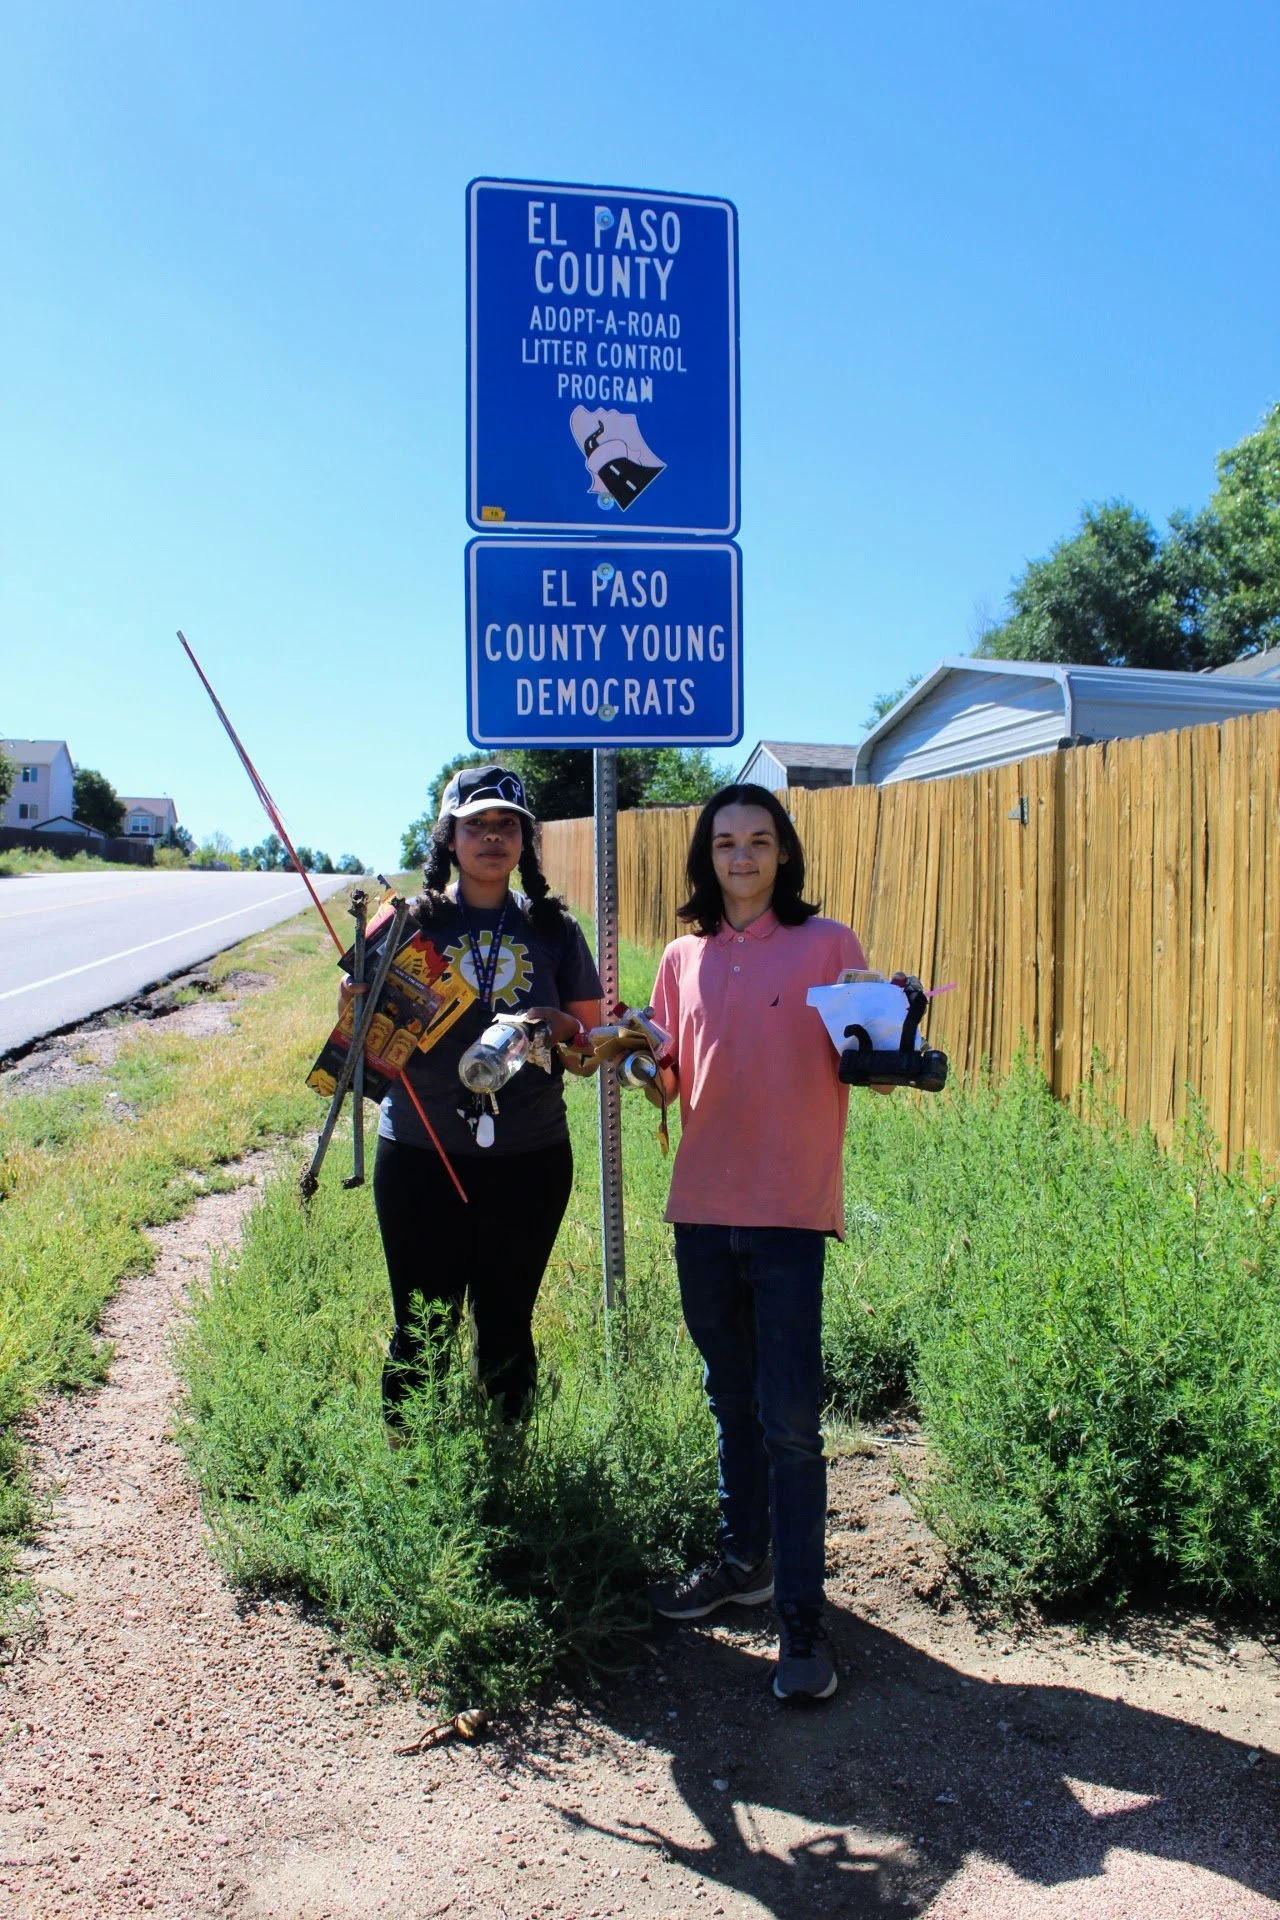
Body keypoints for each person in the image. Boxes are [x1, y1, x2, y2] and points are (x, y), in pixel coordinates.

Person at [646, 783, 877, 1702]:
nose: (741, 857)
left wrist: (891, 1046)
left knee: (790, 1420)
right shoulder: (680, 955)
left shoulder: (830, 946)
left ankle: (803, 1624)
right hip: (700, 1210)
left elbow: (867, 1054)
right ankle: (743, 1559)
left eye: (759, 841)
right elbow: (665, 1078)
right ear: (706, 857)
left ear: (784, 854)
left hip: (789, 1214)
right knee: (728, 1397)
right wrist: (628, 1054)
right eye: (726, 843)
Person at [368, 765, 602, 1427]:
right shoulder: (406, 922)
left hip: (529, 1157)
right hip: (419, 1152)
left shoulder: (556, 929)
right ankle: (411, 1477)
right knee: (421, 1330)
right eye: (477, 824)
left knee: (506, 1328)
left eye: (507, 825)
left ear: (526, 840)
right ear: (449, 836)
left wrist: (564, 1030)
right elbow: (360, 1040)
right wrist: (357, 1003)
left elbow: (588, 1055)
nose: (493, 838)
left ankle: (506, 1470)